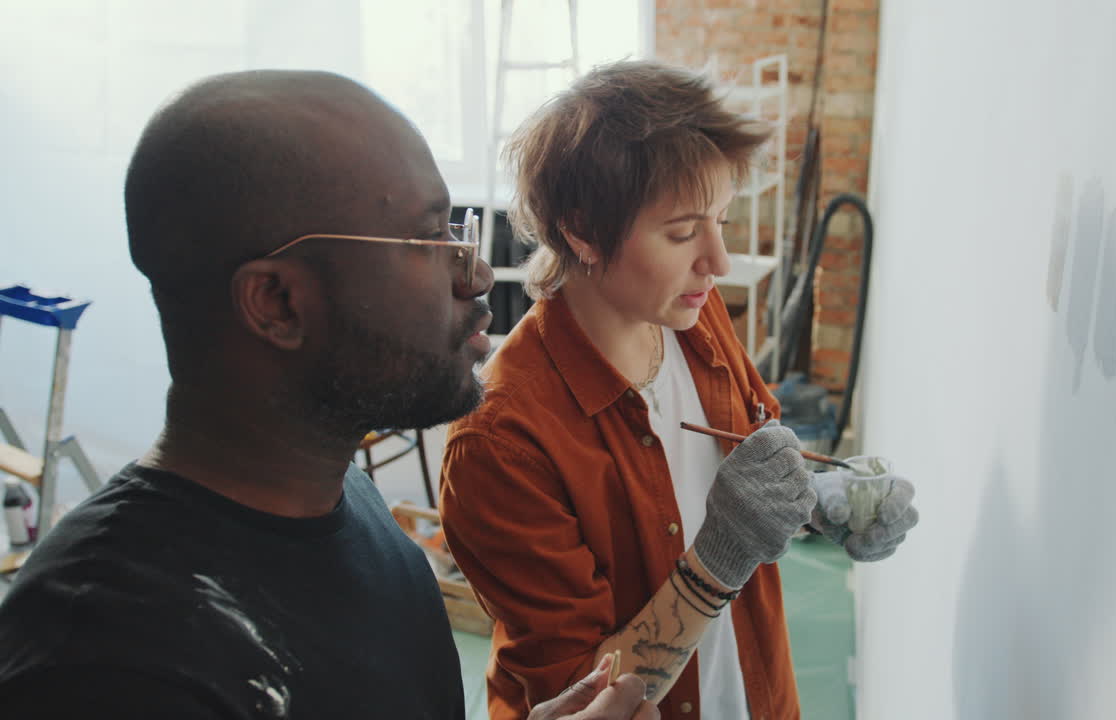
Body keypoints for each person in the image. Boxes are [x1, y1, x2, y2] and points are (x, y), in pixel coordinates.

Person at [0, 69, 655, 720]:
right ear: (277, 302)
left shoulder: (350, 504)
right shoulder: (99, 661)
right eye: (430, 240)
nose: (476, 273)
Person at [439, 60, 920, 720]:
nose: (717, 262)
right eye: (682, 232)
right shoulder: (503, 441)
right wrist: (720, 557)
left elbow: (746, 469)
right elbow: (580, 697)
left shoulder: (689, 312)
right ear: (582, 232)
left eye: (720, 220)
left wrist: (816, 500)